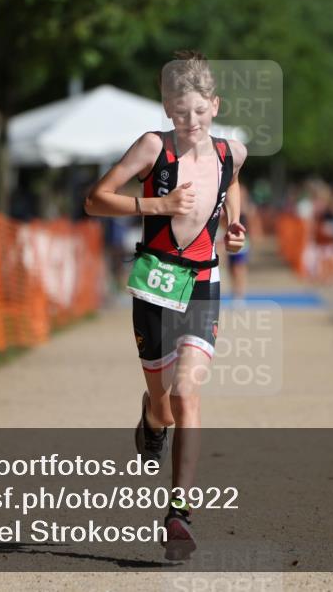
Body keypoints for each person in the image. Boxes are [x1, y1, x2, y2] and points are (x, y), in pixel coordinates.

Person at [84, 51, 247, 560]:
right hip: (155, 279)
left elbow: (232, 182)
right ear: (167, 109)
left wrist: (233, 225)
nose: (191, 122)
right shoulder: (153, 148)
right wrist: (155, 205)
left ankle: (179, 512)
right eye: (180, 112)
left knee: (187, 395)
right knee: (163, 407)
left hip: (202, 279)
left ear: (214, 105)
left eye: (199, 111)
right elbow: (95, 199)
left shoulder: (231, 151)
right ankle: (150, 420)